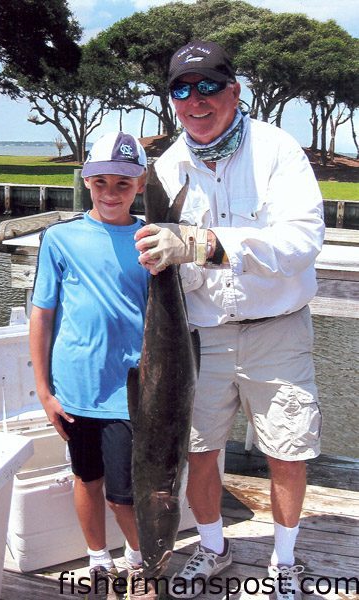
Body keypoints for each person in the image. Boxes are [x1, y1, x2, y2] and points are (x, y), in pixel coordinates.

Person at [135, 40, 324, 600]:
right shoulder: (165, 170)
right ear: (172, 100)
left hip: (278, 329)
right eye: (182, 89)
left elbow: (300, 242)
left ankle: (284, 561)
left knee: (286, 451)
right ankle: (214, 549)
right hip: (201, 335)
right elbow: (169, 265)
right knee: (198, 449)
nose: (196, 100)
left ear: (234, 91)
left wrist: (205, 244)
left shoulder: (277, 150)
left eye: (209, 86)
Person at [29, 131, 155, 600]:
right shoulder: (59, 239)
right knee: (87, 476)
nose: (110, 192)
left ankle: (140, 561)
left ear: (140, 185)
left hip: (130, 391)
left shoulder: (151, 240)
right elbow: (42, 314)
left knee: (124, 492)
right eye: (100, 181)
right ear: (86, 181)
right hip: (76, 386)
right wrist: (44, 391)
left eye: (122, 183)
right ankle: (98, 558)